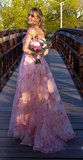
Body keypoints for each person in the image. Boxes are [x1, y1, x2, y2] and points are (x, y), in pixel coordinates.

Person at [7, 7, 76, 153]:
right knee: (40, 95)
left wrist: (33, 52)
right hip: (40, 64)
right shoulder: (42, 32)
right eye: (29, 14)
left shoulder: (31, 31)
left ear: (38, 19)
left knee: (26, 94)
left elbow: (25, 49)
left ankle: (27, 127)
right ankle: (36, 125)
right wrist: (39, 53)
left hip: (29, 64)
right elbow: (45, 51)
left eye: (33, 16)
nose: (29, 17)